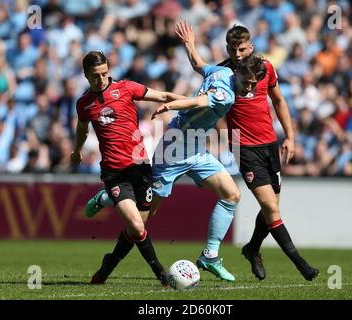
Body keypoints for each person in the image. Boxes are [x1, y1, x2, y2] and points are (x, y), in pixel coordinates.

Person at [84, 21, 267, 282]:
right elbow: (197, 101)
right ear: (238, 75)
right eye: (248, 84)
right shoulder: (225, 93)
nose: (249, 90)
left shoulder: (220, 72)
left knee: (231, 194)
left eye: (254, 85)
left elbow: (198, 65)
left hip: (195, 146)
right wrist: (172, 105)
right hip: (173, 149)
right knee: (141, 223)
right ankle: (106, 205)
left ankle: (210, 256)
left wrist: (190, 43)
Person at [70, 51, 187, 285]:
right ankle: (162, 275)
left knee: (137, 228)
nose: (101, 79)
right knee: (135, 224)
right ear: (85, 74)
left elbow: (163, 94)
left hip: (141, 167)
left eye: (104, 74)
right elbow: (82, 129)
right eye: (95, 75)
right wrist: (77, 150)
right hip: (115, 173)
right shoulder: (84, 104)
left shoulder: (126, 88)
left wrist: (191, 103)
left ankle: (108, 265)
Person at [219, 25, 319, 281]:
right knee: (271, 208)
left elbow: (279, 101)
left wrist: (291, 137)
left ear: (251, 46)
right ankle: (301, 265)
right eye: (232, 49)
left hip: (269, 145)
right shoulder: (221, 74)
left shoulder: (266, 68)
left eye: (241, 49)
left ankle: (252, 249)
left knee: (271, 207)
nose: (237, 54)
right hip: (243, 148)